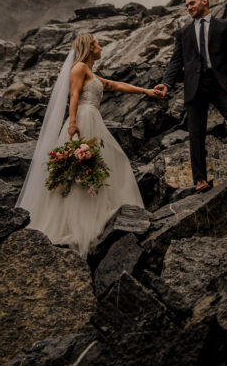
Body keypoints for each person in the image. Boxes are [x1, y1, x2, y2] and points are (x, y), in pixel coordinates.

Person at [17, 32, 161, 257]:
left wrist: (146, 91)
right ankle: (78, 222)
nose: (101, 47)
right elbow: (73, 96)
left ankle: (100, 215)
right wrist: (73, 124)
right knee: (86, 169)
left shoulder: (90, 72)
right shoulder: (79, 68)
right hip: (83, 120)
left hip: (93, 120)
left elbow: (114, 85)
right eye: (98, 44)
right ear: (89, 47)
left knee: (104, 164)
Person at [154, 0, 227, 193]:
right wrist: (166, 84)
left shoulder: (224, 26)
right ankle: (200, 179)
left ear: (205, 1)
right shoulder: (183, 33)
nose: (189, 7)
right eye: (187, 5)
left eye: (192, 3)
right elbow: (176, 62)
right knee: (196, 132)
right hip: (194, 86)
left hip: (220, 83)